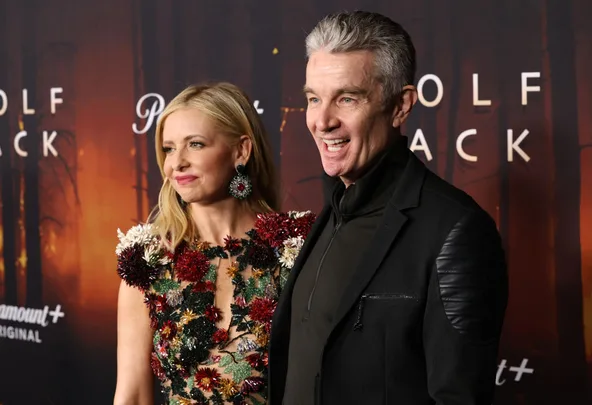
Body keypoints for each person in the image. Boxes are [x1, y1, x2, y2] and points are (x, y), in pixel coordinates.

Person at [268, 11, 509, 405]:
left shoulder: (455, 230)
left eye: (347, 98)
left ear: (401, 105)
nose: (322, 121)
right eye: (314, 99)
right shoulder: (331, 213)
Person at [113, 82, 315, 405]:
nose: (177, 162)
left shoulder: (297, 247)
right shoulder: (147, 263)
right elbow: (132, 396)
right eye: (168, 148)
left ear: (241, 151)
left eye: (195, 144)